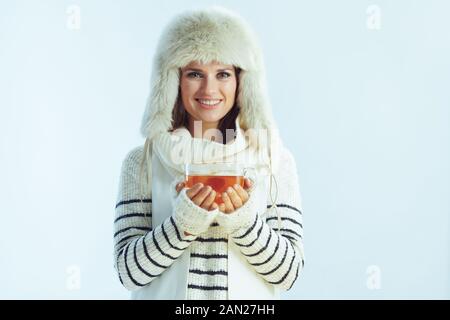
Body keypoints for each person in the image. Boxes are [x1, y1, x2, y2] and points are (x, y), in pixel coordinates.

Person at [113, 6, 304, 300]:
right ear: (173, 80)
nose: (209, 88)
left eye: (223, 73)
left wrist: (243, 223)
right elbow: (128, 273)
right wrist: (182, 225)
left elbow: (288, 273)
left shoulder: (273, 160)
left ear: (242, 81)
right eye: (195, 73)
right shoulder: (142, 163)